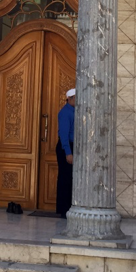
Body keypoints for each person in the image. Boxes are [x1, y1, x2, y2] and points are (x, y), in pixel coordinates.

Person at [56, 88, 75, 218]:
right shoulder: (65, 113)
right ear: (70, 99)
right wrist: (68, 152)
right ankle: (64, 209)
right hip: (66, 147)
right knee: (65, 178)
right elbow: (64, 135)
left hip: (72, 147)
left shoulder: (74, 111)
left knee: (70, 178)